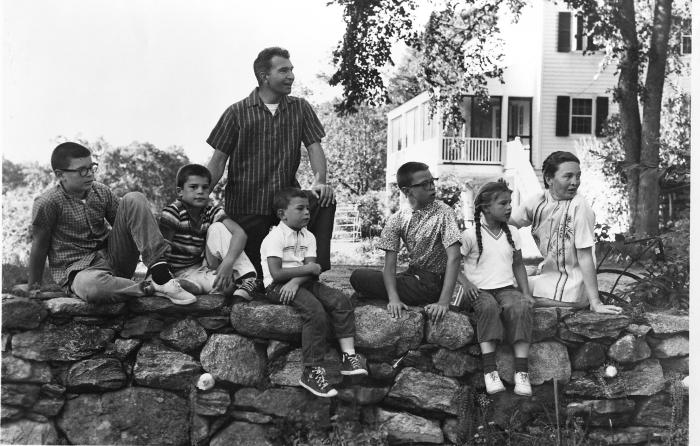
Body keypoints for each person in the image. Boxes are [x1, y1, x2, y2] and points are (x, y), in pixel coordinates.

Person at [206, 46, 335, 285]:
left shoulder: (300, 108)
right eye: (283, 70)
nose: (291, 76)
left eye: (292, 70)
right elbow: (218, 160)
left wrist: (320, 183)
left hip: (284, 201)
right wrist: (202, 195)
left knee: (325, 199)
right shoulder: (236, 113)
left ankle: (313, 269)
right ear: (264, 76)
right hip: (246, 205)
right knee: (255, 279)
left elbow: (314, 147)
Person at [27, 142, 197, 305]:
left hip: (115, 260)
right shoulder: (48, 202)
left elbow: (129, 223)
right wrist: (34, 287)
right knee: (93, 288)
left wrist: (156, 239)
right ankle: (152, 287)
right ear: (60, 174)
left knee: (134, 199)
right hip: (80, 272)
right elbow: (39, 245)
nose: (90, 174)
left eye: (92, 167)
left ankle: (160, 273)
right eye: (82, 170)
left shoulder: (100, 191)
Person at [260, 187, 367, 398]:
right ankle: (312, 371)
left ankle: (349, 356)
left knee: (340, 300)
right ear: (282, 214)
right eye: (300, 209)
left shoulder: (309, 236)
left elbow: (313, 269)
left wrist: (297, 281)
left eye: (308, 208)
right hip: (276, 286)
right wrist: (304, 273)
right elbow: (276, 273)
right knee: (315, 311)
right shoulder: (275, 237)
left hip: (300, 282)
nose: (307, 213)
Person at [510, 151, 622, 314]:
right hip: (548, 276)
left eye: (578, 176)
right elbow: (510, 223)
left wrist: (596, 302)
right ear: (549, 179)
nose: (575, 182)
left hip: (571, 287)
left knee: (506, 288)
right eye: (568, 176)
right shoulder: (539, 200)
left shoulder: (580, 207)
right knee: (503, 280)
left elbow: (585, 256)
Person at [350, 162, 461, 322]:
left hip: (431, 284)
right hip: (411, 277)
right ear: (406, 191)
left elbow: (455, 257)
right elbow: (389, 265)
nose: (432, 187)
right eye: (425, 184)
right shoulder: (398, 219)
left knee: (361, 279)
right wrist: (393, 299)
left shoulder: (444, 212)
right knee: (359, 276)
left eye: (432, 181)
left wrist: (443, 302)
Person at [458, 180, 534, 396]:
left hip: (506, 289)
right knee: (489, 308)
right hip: (479, 291)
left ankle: (521, 373)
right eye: (503, 203)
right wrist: (467, 283)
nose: (509, 207)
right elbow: (453, 265)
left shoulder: (513, 233)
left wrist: (526, 293)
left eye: (510, 202)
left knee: (520, 307)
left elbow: (518, 265)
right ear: (486, 208)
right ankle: (490, 371)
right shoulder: (470, 235)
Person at [158, 164, 257, 299]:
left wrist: (228, 262)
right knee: (226, 287)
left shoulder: (212, 211)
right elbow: (162, 248)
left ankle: (247, 279)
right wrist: (161, 275)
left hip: (201, 267)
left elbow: (240, 234)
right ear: (180, 191)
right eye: (193, 187)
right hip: (175, 270)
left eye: (205, 187)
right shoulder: (173, 212)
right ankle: (183, 285)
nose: (200, 191)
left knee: (218, 227)